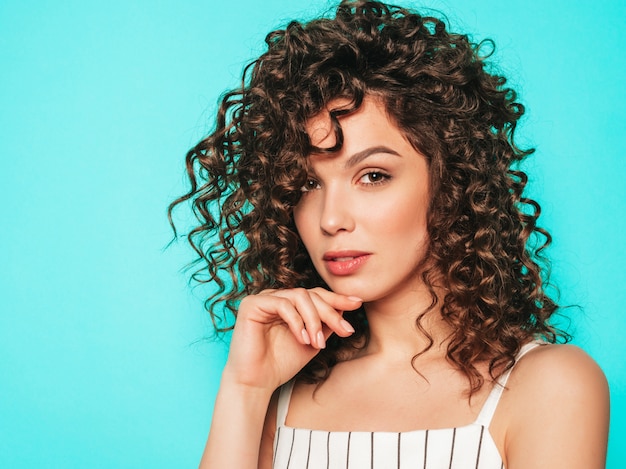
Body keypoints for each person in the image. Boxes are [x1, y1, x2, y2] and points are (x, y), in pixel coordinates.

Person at [170, 1, 610, 467]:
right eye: (307, 183)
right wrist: (245, 389)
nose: (330, 219)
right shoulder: (276, 393)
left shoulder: (548, 385)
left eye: (373, 176)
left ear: (450, 184)